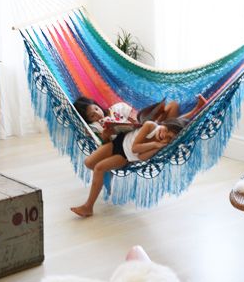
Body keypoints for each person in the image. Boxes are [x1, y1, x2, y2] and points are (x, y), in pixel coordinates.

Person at [70, 117, 187, 218]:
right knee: (89, 163)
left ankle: (88, 207)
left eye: (169, 138)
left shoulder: (161, 145)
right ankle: (107, 172)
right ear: (165, 124)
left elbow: (141, 156)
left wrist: (158, 148)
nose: (164, 136)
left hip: (125, 157)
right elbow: (135, 148)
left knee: (99, 168)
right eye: (166, 131)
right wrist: (155, 144)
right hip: (118, 142)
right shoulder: (150, 126)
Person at [73, 93, 208, 141]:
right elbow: (89, 133)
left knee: (172, 105)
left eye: (96, 109)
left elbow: (135, 116)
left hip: (143, 125)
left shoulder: (117, 107)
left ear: (97, 105)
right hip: (138, 137)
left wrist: (149, 115)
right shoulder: (96, 125)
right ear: (88, 119)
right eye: (92, 115)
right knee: (167, 121)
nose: (97, 114)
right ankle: (197, 109)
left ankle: (172, 127)